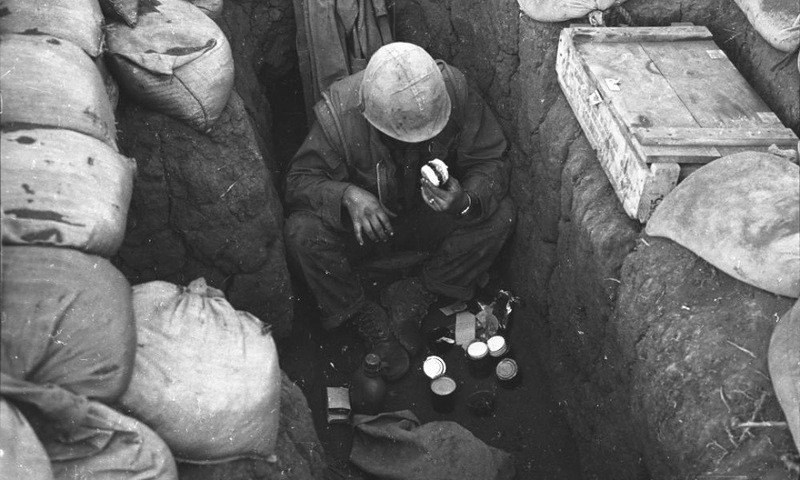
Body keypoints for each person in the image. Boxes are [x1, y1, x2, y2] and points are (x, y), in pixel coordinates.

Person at [284, 42, 516, 381]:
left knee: (500, 214)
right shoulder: (341, 115)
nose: (415, 145)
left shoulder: (451, 92)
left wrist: (463, 200)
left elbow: (490, 160)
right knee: (301, 233)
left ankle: (418, 291)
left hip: (426, 217)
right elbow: (297, 182)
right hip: (365, 231)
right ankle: (360, 312)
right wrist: (347, 195)